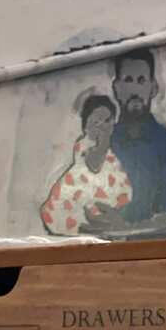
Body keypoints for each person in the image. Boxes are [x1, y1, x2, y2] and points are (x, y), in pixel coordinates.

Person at [80, 48, 166, 239]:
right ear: (117, 88)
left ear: (153, 88)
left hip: (152, 258)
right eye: (128, 80)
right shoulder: (102, 142)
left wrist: (123, 230)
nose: (135, 90)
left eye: (141, 81)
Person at [40, 94, 131, 236]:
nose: (102, 127)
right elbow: (92, 163)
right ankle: (85, 228)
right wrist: (103, 144)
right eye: (96, 122)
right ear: (85, 127)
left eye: (107, 121)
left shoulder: (113, 153)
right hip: (78, 197)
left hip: (105, 199)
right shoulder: (85, 146)